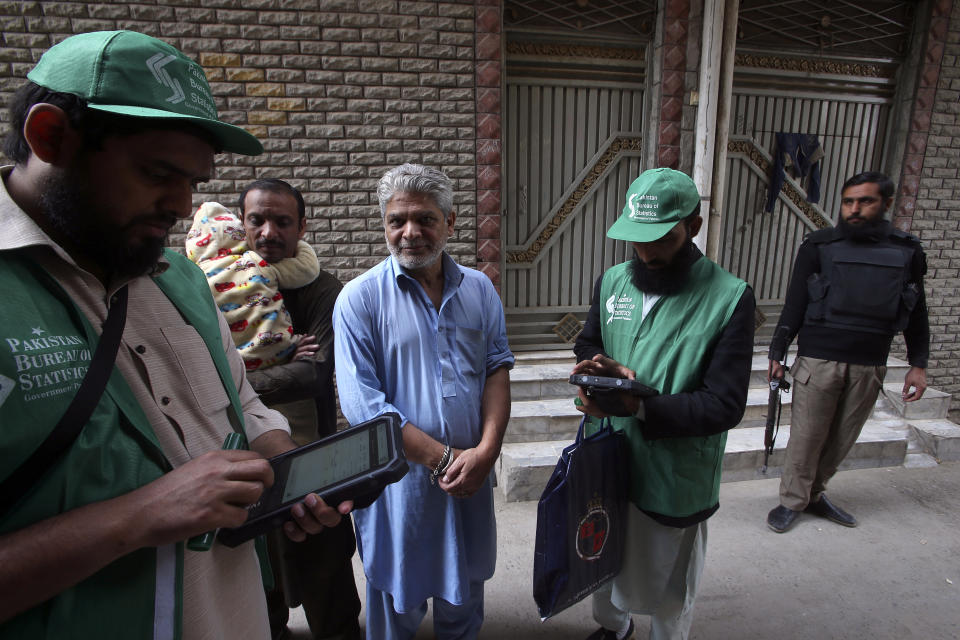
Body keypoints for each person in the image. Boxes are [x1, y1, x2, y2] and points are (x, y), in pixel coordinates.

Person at [0, 30, 347, 639]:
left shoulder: (183, 277)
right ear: (50, 137)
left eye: (196, 181)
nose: (184, 205)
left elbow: (241, 401)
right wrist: (135, 517)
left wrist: (282, 466)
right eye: (158, 173)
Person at [333, 163, 514, 640]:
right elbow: (364, 406)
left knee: (466, 597)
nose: (409, 232)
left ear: (450, 223)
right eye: (397, 220)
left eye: (425, 219)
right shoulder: (359, 299)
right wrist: (445, 459)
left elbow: (496, 368)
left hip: (471, 479)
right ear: (384, 224)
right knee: (397, 604)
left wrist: (488, 452)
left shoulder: (479, 289)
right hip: (401, 488)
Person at [573, 168, 755, 640]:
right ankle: (613, 627)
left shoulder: (728, 298)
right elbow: (587, 343)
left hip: (675, 470)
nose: (646, 252)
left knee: (671, 577)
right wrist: (598, 371)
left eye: (661, 238)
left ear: (693, 226)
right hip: (610, 452)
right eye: (637, 240)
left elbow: (724, 405)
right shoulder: (613, 281)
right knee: (604, 547)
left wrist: (638, 406)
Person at [766, 171, 929, 534]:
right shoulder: (819, 246)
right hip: (819, 360)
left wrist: (918, 364)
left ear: (885, 204)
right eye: (848, 201)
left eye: (865, 201)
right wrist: (777, 354)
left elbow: (917, 311)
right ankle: (792, 500)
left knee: (841, 438)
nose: (854, 209)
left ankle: (815, 494)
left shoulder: (907, 251)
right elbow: (795, 304)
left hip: (870, 362)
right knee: (807, 437)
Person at [235, 178, 362, 640]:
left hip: (315, 458)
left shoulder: (323, 290)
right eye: (257, 220)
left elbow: (315, 373)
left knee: (328, 579)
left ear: (302, 226)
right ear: (241, 224)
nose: (268, 231)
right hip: (244, 459)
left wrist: (237, 379)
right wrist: (277, 366)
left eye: (282, 221)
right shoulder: (220, 288)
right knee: (258, 581)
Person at [186, 201, 307, 371]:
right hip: (280, 350)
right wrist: (299, 243)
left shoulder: (193, 277)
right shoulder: (253, 261)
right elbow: (305, 270)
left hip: (233, 362)